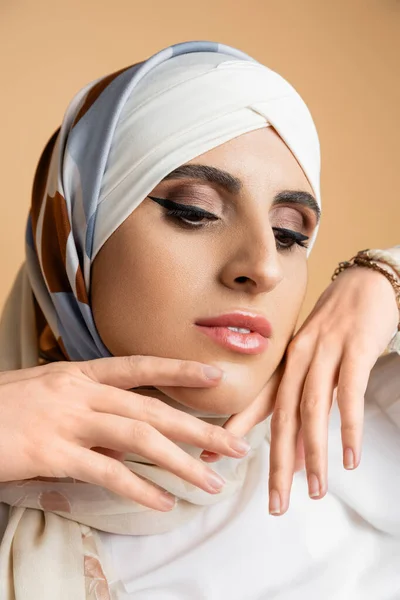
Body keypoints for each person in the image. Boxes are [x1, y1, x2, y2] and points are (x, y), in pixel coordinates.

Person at [0, 40, 399, 599]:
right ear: (77, 247)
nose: (263, 266)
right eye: (196, 212)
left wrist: (384, 279)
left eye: (290, 234)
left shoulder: (359, 420)